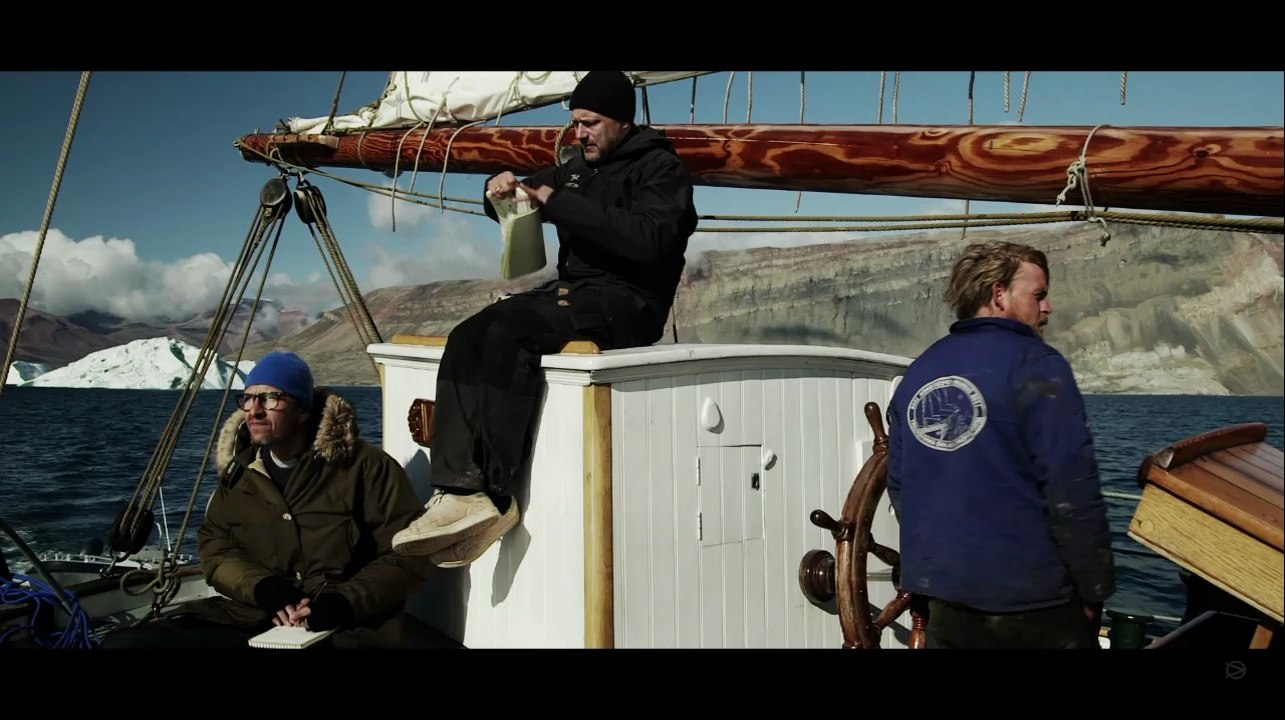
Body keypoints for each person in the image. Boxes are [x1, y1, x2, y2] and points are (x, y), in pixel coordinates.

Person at [391, 71, 698, 567]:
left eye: (590, 123)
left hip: (630, 303)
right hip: (574, 295)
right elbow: (526, 194)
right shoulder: (576, 169)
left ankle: (495, 493)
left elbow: (649, 240)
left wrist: (557, 201)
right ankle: (457, 489)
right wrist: (499, 191)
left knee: (511, 332)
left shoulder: (661, 170)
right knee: (468, 334)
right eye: (576, 123)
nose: (580, 133)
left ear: (622, 120)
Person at [99, 351, 437, 649]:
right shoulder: (241, 472)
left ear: (303, 411)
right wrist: (262, 588)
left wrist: (344, 603)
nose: (255, 411)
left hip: (340, 630)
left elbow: (407, 552)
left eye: (271, 398)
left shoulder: (366, 468)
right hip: (250, 617)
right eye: (248, 399)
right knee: (124, 643)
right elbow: (216, 546)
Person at [885, 241, 1115, 649]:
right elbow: (1071, 490)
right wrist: (1094, 587)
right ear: (999, 294)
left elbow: (901, 487)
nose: (1047, 308)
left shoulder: (919, 373)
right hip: (1032, 603)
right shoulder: (1037, 365)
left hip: (946, 600)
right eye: (1039, 295)